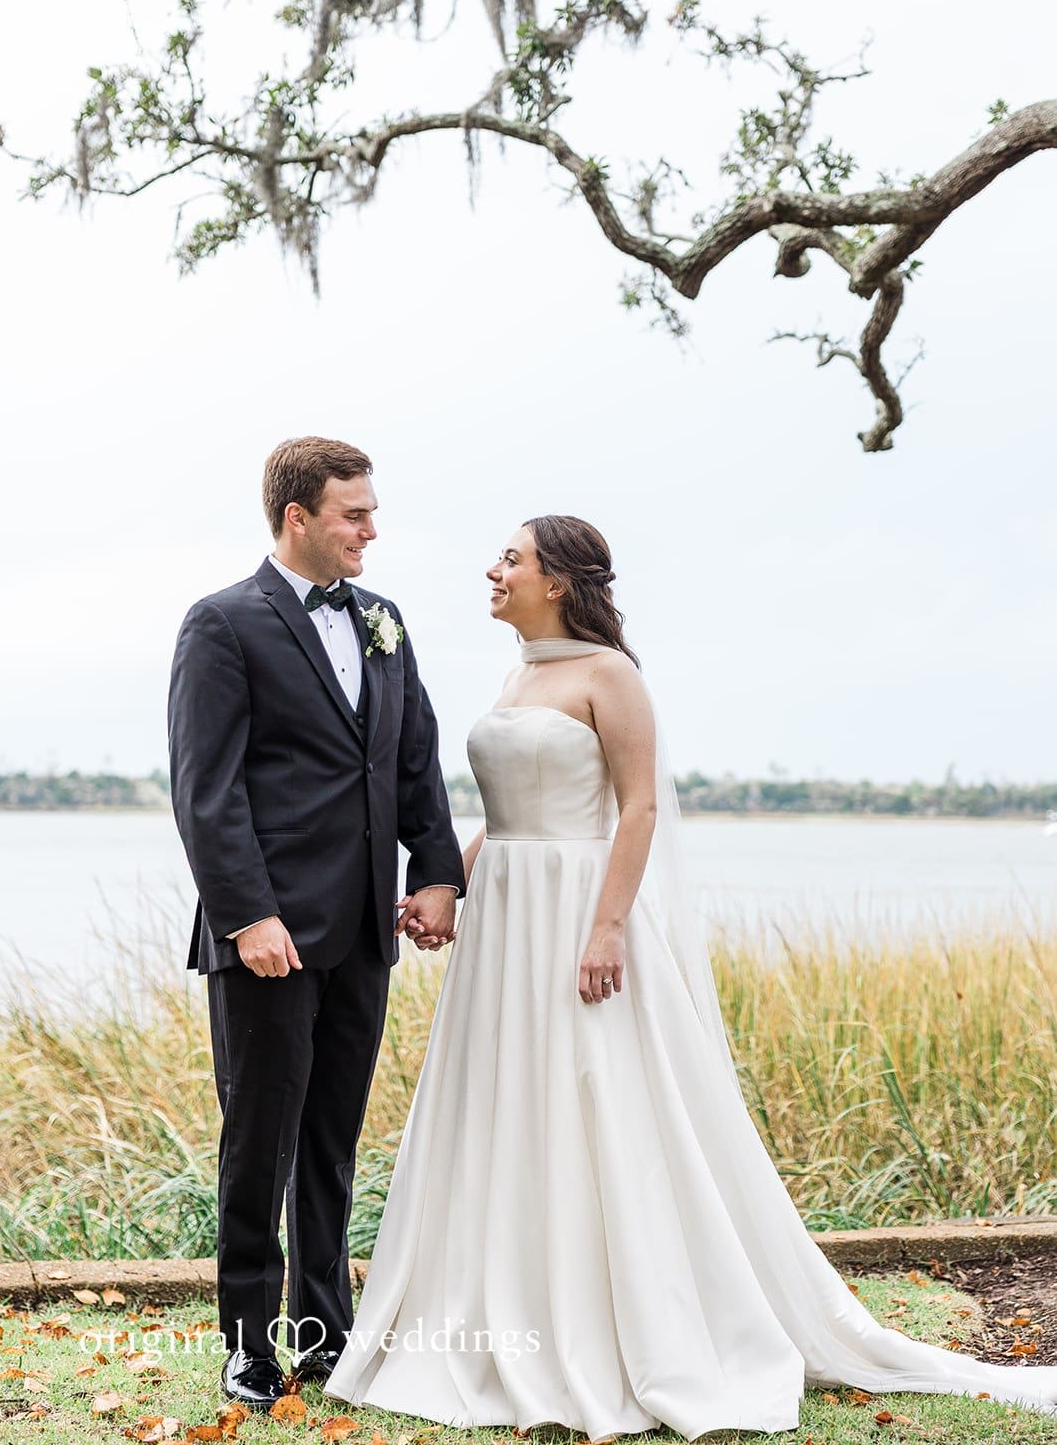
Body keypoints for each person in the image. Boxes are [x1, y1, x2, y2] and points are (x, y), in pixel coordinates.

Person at [324, 514, 1057, 1438]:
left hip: (577, 912)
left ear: (557, 580)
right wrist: (449, 885)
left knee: (602, 1098)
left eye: (510, 558)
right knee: (508, 1097)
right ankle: (505, 1303)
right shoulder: (519, 675)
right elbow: (513, 814)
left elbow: (634, 810)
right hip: (507, 912)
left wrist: (605, 929)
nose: (493, 569)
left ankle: (630, 1321)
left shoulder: (611, 676)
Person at [168, 436, 464, 1411]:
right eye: (353, 513)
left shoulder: (382, 620)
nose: (370, 530)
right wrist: (246, 912)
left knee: (332, 1137)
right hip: (265, 935)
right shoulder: (221, 625)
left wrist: (435, 874)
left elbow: (410, 754)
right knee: (260, 1138)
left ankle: (324, 1333)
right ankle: (248, 1342)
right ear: (298, 517)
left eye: (371, 511)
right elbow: (205, 792)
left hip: (362, 932)